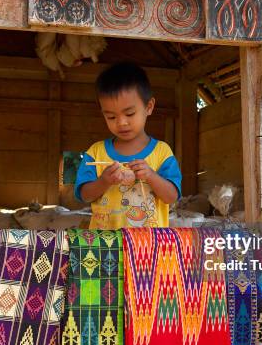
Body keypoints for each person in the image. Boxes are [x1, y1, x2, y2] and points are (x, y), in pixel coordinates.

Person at [74, 62, 182, 229]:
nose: (121, 123)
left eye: (130, 113)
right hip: (105, 247)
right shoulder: (95, 153)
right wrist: (104, 181)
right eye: (111, 117)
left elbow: (171, 197)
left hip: (147, 248)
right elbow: (84, 195)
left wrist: (151, 176)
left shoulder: (162, 152)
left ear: (149, 107)